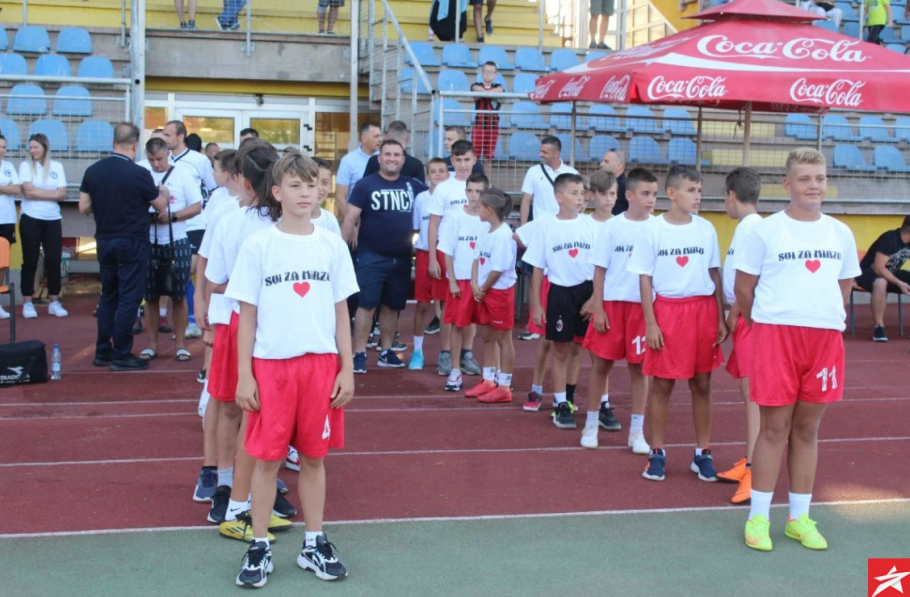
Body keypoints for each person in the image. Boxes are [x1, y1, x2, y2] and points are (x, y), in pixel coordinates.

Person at [229, 151, 357, 588]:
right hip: (272, 367)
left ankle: (314, 542)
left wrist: (347, 368)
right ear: (277, 192)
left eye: (312, 185)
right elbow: (247, 316)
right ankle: (258, 546)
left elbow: (341, 312)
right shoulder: (258, 245)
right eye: (295, 185)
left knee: (314, 459)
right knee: (267, 461)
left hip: (321, 366)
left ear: (322, 191)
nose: (305, 193)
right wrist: (245, 374)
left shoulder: (331, 243)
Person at [738, 148, 860, 552]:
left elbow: (843, 287)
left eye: (820, 178)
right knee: (774, 429)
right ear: (787, 184)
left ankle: (799, 519)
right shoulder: (765, 230)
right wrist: (769, 324)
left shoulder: (840, 232)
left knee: (807, 430)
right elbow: (743, 289)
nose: (813, 186)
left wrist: (820, 316)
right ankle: (758, 518)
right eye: (805, 179)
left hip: (823, 340)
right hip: (776, 337)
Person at [204, 141, 295, 537]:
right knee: (246, 408)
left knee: (243, 411)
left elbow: (214, 280)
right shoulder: (237, 221)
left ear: (242, 180)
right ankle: (232, 492)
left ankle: (244, 489)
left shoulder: (279, 223)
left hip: (254, 324)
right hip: (247, 322)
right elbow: (218, 280)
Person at [628, 165, 727, 482]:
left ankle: (702, 453)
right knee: (662, 385)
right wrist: (651, 323)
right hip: (668, 312)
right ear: (671, 193)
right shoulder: (652, 230)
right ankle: (656, 453)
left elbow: (714, 273)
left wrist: (720, 317)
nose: (697, 196)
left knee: (702, 384)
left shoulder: (706, 229)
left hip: (702, 312)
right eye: (691, 190)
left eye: (700, 191)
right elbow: (644, 278)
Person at [78, 123, 169, 371]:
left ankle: (102, 351)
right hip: (132, 241)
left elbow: (83, 207)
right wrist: (163, 192)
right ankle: (121, 354)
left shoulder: (93, 170)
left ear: (113, 143)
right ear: (135, 145)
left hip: (104, 240)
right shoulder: (139, 173)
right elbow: (160, 205)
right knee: (130, 298)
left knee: (108, 295)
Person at [581, 168, 656, 453]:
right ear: (630, 195)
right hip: (612, 305)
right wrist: (599, 308)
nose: (651, 199)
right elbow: (599, 270)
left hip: (642, 309)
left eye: (654, 194)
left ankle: (636, 432)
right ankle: (591, 425)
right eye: (645, 193)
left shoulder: (658, 227)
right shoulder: (612, 227)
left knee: (640, 369)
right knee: (601, 366)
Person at [342, 140, 428, 374]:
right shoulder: (365, 184)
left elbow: (436, 202)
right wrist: (340, 250)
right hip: (371, 255)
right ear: (379, 158)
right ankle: (360, 353)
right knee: (366, 305)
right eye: (387, 154)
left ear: (403, 159)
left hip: (401, 257)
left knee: (392, 306)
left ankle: (386, 351)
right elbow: (350, 218)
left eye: (396, 155)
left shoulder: (414, 186)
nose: (392, 158)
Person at [523, 173, 597, 429]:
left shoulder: (590, 224)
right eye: (574, 193)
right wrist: (537, 305)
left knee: (577, 349)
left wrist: (595, 298)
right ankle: (560, 404)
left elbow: (601, 266)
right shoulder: (546, 225)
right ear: (559, 197)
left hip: (586, 292)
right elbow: (537, 268)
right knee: (560, 350)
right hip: (560, 293)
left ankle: (570, 399)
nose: (580, 198)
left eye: (582, 193)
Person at [194, 149, 241, 503]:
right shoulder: (223, 208)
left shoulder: (275, 214)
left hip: (259, 320)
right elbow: (206, 260)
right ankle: (212, 470)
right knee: (219, 395)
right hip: (226, 313)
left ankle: (249, 474)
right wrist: (201, 302)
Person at [716, 167, 763, 505]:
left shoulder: (753, 230)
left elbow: (752, 281)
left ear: (731, 195)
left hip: (751, 318)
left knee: (754, 395)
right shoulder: (746, 228)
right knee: (749, 393)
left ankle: (756, 470)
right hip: (743, 317)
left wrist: (733, 313)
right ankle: (749, 461)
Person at [137, 137, 203, 362]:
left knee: (179, 295)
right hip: (149, 240)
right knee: (150, 296)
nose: (156, 164)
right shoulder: (141, 172)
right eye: (151, 160)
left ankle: (180, 345)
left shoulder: (182, 173)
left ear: (167, 154)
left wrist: (173, 216)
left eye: (159, 159)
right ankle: (152, 345)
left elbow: (197, 206)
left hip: (178, 240)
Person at [428, 140, 483, 376]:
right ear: (452, 161)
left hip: (475, 255)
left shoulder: (482, 187)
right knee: (448, 306)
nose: (462, 164)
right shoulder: (443, 188)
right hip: (449, 253)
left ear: (474, 159)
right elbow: (433, 224)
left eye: (467, 159)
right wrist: (433, 258)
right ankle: (445, 353)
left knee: (472, 305)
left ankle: (466, 353)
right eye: (458, 160)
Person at [163, 120, 216, 339]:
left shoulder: (199, 160)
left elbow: (212, 188)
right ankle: (182, 320)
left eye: (168, 135)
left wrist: (208, 217)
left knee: (189, 270)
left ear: (180, 137)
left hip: (195, 224)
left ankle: (194, 319)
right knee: (177, 274)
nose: (164, 139)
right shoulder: (163, 159)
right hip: (171, 226)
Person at [440, 174, 491, 392]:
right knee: (457, 324)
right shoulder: (455, 217)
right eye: (470, 190)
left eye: (479, 191)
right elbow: (447, 251)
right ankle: (455, 370)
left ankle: (491, 375)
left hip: (485, 282)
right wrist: (451, 280)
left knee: (488, 328)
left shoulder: (490, 219)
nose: (474, 195)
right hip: (460, 280)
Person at [466, 188, 516, 403]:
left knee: (503, 338)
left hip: (499, 292)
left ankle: (504, 385)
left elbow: (498, 270)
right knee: (486, 334)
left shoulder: (504, 235)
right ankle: (488, 380)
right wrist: (474, 283)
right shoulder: (485, 231)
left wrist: (483, 288)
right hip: (484, 290)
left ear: (489, 210)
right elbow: (476, 258)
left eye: (480, 207)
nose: (476, 209)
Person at [18, 133, 68, 319]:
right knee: (30, 260)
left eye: (36, 147)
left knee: (54, 261)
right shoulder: (25, 166)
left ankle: (54, 300)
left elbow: (62, 194)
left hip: (52, 219)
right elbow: (28, 194)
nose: (32, 151)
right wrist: (51, 193)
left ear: (44, 148)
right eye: (30, 147)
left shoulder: (57, 166)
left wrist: (38, 191)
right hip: (30, 218)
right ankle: (27, 301)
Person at [410, 158, 451, 371]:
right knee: (423, 304)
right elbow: (417, 227)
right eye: (433, 171)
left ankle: (446, 353)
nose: (437, 174)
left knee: (445, 305)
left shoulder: (452, 196)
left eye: (441, 171)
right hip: (425, 254)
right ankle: (417, 351)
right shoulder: (421, 199)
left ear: (447, 174)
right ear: (427, 175)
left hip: (446, 255)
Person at [855, 216, 910, 342]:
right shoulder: (890, 239)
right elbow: (878, 268)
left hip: (891, 273)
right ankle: (879, 327)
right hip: (867, 273)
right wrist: (899, 283)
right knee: (881, 282)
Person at [519, 136, 579, 226]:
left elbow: (578, 201)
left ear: (556, 153)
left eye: (544, 152)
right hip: (540, 226)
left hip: (565, 225)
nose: (540, 155)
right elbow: (526, 200)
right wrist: (522, 228)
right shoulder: (533, 171)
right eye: (540, 151)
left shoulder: (572, 173)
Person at [335, 122, 382, 216]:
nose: (380, 139)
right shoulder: (348, 160)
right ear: (364, 139)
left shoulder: (386, 158)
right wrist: (351, 221)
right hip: (358, 216)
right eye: (376, 136)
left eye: (380, 136)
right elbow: (340, 197)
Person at [470, 62, 504, 176]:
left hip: (492, 127)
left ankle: (487, 181)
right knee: (474, 156)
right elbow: (475, 89)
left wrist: (485, 93)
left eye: (491, 72)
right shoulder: (476, 85)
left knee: (488, 157)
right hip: (479, 126)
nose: (488, 74)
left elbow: (500, 90)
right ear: (482, 72)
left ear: (495, 74)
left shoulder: (498, 87)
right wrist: (488, 93)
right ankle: (473, 179)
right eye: (486, 71)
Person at [0, 134, 20, 320]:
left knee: (2, 263)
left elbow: (17, 189)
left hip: (6, 219)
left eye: (4, 147)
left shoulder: (8, 166)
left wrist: (3, 188)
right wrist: (6, 187)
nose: (2, 150)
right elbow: (10, 188)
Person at [313, 158, 342, 236]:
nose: (319, 188)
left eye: (325, 183)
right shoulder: (289, 219)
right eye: (313, 183)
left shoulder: (330, 219)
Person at [600, 149, 627, 215]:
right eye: (602, 161)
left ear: (619, 165)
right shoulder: (610, 184)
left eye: (606, 161)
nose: (601, 164)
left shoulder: (625, 186)